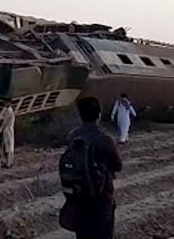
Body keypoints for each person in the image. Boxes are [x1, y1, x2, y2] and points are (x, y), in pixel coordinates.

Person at [58, 97, 122, 239]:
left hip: (78, 196)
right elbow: (118, 165)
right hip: (101, 198)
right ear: (99, 115)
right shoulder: (105, 139)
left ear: (80, 115)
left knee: (83, 234)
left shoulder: (72, 135)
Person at [0, 99, 16, 168]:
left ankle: (8, 163)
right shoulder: (8, 110)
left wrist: (1, 129)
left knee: (8, 146)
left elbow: (5, 121)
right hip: (9, 129)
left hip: (7, 129)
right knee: (9, 146)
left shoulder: (8, 111)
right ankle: (9, 161)